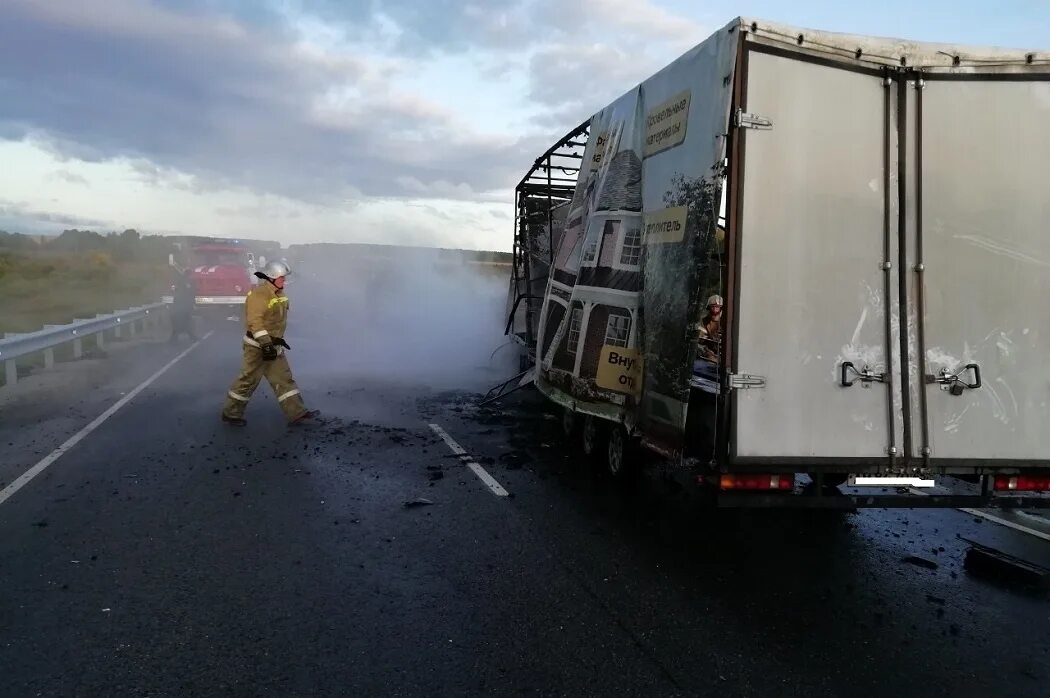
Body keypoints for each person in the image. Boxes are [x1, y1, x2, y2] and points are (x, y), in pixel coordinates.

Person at [221, 260, 319, 427]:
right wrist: (266, 344)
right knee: (248, 380)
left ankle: (297, 414)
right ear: (272, 277)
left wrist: (273, 344)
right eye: (282, 278)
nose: (284, 280)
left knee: (284, 379)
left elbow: (277, 321)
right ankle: (230, 414)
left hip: (273, 346)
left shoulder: (279, 294)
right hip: (256, 347)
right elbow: (255, 322)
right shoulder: (259, 295)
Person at [169, 270, 197, 342]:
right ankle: (189, 336)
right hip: (183, 305)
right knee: (186, 321)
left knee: (180, 321)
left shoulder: (179, 280)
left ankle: (175, 338)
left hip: (179, 304)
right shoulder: (187, 282)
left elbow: (173, 289)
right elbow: (190, 293)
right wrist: (193, 304)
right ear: (189, 275)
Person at [697, 294, 723, 363]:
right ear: (709, 308)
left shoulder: (726, 321)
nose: (714, 310)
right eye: (712, 307)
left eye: (717, 307)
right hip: (710, 354)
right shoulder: (704, 321)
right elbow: (701, 340)